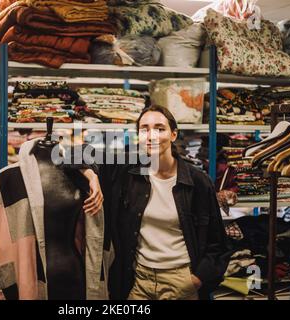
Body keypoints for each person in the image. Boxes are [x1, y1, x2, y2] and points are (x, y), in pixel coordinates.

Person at [81, 105, 231, 300]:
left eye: (160, 128)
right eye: (144, 129)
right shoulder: (128, 172)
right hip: (138, 280)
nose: (151, 135)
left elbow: (217, 243)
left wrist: (196, 279)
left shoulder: (197, 182)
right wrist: (91, 175)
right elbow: (70, 154)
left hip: (180, 281)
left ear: (174, 135)